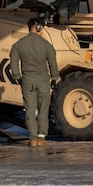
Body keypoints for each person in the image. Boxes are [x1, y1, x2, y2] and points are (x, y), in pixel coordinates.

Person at [9, 17, 60, 147]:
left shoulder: (18, 45)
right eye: (42, 28)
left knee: (30, 109)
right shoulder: (46, 45)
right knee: (43, 108)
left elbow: (13, 61)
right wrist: (54, 78)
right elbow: (52, 63)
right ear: (38, 28)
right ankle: (41, 137)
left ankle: (32, 138)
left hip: (27, 80)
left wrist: (17, 76)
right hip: (43, 80)